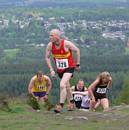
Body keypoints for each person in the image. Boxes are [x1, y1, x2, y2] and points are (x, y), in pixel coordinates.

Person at [45, 29, 80, 113]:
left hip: (69, 67)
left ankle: (60, 105)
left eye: (52, 35)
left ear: (57, 36)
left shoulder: (66, 44)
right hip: (60, 70)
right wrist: (51, 69)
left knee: (62, 85)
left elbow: (77, 50)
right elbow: (47, 57)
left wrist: (77, 64)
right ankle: (72, 103)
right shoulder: (50, 45)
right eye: (50, 35)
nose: (50, 37)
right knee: (67, 87)